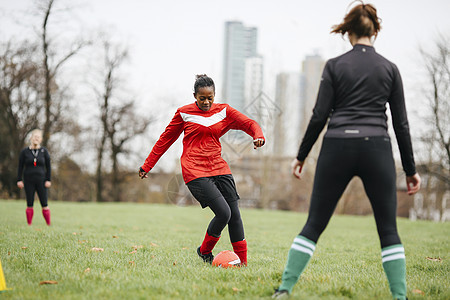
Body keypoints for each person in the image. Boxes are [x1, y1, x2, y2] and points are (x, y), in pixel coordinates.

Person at [272, 2, 421, 299]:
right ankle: (400, 297)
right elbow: (402, 125)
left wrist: (301, 156)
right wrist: (411, 170)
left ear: (348, 32)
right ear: (375, 31)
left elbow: (319, 116)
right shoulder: (390, 69)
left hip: (337, 145)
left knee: (314, 224)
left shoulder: (335, 66)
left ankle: (285, 289)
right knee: (388, 231)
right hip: (376, 147)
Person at [139, 74, 265, 266]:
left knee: (234, 214)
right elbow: (165, 140)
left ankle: (243, 264)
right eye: (202, 98)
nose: (206, 102)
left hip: (219, 167)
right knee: (223, 213)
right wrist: (147, 165)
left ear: (215, 95)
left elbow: (250, 124)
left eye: (210, 98)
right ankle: (204, 251)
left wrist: (258, 135)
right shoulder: (184, 113)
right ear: (194, 96)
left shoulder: (224, 111)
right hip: (194, 170)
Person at [17, 129, 52, 226]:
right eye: (34, 136)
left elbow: (48, 166)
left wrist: (48, 179)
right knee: (29, 203)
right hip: (28, 180)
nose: (36, 138)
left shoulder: (44, 151)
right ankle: (29, 224)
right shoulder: (24, 152)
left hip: (42, 181)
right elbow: (20, 166)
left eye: (38, 137)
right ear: (31, 138)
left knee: (44, 204)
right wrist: (19, 179)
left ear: (41, 139)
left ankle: (48, 224)